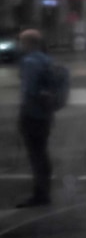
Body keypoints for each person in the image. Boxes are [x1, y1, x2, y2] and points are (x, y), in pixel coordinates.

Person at [16, 29, 54, 208]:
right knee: (42, 152)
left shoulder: (29, 62)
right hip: (46, 114)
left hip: (32, 114)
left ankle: (40, 193)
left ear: (29, 43)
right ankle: (45, 189)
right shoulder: (46, 60)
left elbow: (29, 90)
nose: (20, 45)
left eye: (22, 42)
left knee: (35, 154)